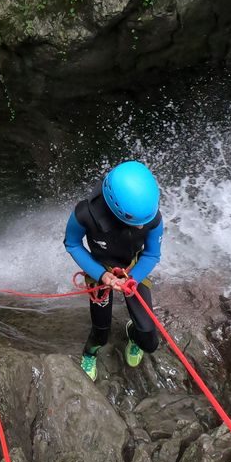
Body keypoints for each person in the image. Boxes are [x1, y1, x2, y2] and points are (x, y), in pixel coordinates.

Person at [64, 161, 163, 381]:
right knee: (101, 330)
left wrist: (133, 279)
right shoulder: (85, 214)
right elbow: (72, 243)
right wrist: (101, 274)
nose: (141, 228)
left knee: (149, 339)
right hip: (100, 269)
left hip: (133, 270)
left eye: (144, 222)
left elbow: (152, 254)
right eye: (136, 223)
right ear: (117, 209)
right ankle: (90, 353)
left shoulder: (150, 216)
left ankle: (132, 333)